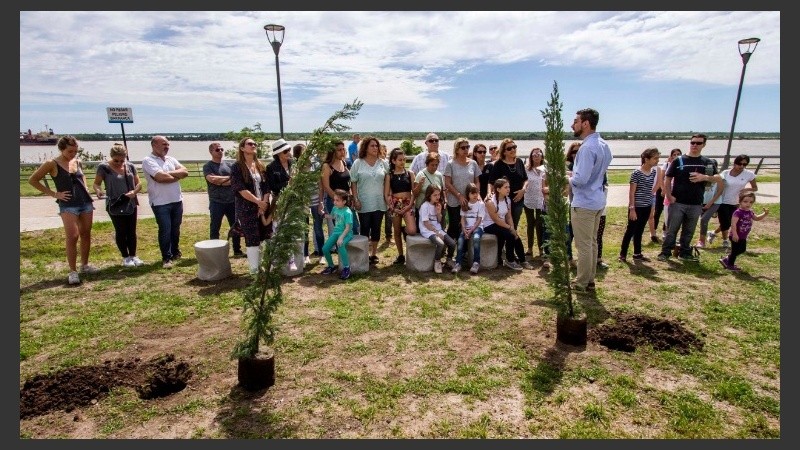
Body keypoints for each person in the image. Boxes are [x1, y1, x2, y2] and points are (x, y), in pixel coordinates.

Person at [28, 135, 99, 284]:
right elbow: (33, 180)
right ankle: (73, 271)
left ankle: (85, 265)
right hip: (68, 205)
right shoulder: (51, 163)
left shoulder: (77, 161)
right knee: (72, 236)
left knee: (86, 233)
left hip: (85, 202)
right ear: (61, 149)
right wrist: (54, 193)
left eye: (75, 151)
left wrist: (85, 187)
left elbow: (82, 176)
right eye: (70, 151)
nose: (73, 154)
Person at [657, 134, 722, 262]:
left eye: (698, 143)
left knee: (689, 230)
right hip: (678, 202)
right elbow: (668, 177)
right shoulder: (679, 160)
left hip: (696, 203)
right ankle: (665, 252)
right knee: (671, 229)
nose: (695, 145)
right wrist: (669, 195)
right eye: (692, 143)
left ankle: (685, 252)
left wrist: (705, 177)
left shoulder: (707, 162)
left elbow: (719, 178)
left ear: (703, 145)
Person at [569, 108, 613, 292]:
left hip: (585, 202)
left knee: (584, 245)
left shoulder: (586, 148)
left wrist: (564, 177)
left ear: (586, 123)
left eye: (576, 121)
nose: (573, 124)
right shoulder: (603, 144)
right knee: (592, 242)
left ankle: (581, 283)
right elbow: (597, 172)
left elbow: (580, 180)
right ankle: (590, 280)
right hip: (597, 199)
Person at [92, 143, 144, 268]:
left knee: (131, 230)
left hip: (130, 202)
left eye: (122, 160)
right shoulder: (103, 167)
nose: (119, 163)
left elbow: (139, 183)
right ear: (111, 157)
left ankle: (133, 255)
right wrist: (98, 191)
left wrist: (134, 191)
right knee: (121, 230)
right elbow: (96, 183)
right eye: (116, 160)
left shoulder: (130, 166)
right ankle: (125, 257)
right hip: (115, 203)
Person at [141, 135, 189, 269]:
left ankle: (175, 252)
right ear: (154, 145)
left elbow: (185, 172)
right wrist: (176, 176)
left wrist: (169, 175)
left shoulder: (171, 159)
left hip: (176, 200)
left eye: (168, 145)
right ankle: (166, 258)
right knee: (165, 229)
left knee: (176, 228)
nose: (166, 147)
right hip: (160, 202)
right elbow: (160, 177)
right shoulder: (148, 160)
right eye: (163, 144)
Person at [230, 137, 270, 274]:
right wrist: (257, 202)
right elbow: (240, 189)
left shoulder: (260, 165)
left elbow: (266, 187)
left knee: (264, 236)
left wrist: (264, 203)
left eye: (255, 143)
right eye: (250, 144)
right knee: (252, 238)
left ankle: (262, 265)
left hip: (263, 207)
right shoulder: (237, 167)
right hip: (247, 208)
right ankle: (254, 270)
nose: (253, 145)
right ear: (242, 148)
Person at [350, 136, 390, 264]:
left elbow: (387, 181)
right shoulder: (358, 163)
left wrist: (386, 197)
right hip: (364, 202)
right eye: (372, 145)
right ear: (365, 148)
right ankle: (364, 254)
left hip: (379, 202)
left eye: (376, 146)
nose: (375, 148)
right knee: (365, 228)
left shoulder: (383, 163)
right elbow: (353, 182)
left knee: (376, 228)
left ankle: (374, 254)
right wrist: (355, 199)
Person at [708, 154, 758, 250]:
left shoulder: (749, 174)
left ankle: (713, 233)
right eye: (740, 164)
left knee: (731, 222)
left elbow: (755, 188)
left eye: (745, 164)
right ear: (735, 163)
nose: (742, 166)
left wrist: (747, 189)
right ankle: (725, 240)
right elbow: (717, 183)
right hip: (723, 201)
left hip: (736, 202)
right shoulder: (726, 173)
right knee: (725, 222)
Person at [443, 138, 481, 265]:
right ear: (457, 150)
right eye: (463, 148)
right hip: (455, 201)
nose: (466, 150)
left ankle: (463, 254)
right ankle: (449, 255)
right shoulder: (450, 164)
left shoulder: (473, 163)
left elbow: (477, 181)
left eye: (467, 147)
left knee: (468, 227)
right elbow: (447, 183)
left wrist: (477, 194)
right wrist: (459, 195)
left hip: (470, 202)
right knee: (454, 227)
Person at [618, 148, 660, 262]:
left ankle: (637, 253)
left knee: (640, 230)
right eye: (655, 158)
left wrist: (651, 205)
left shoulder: (653, 172)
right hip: (636, 207)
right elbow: (632, 192)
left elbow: (650, 190)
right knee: (630, 230)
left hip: (647, 206)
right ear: (646, 159)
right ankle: (623, 254)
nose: (657, 160)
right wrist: (632, 208)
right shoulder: (636, 173)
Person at [203, 142, 243, 257]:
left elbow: (236, 180)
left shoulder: (230, 165)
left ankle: (237, 250)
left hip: (232, 201)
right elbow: (212, 180)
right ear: (211, 152)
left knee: (235, 226)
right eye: (217, 150)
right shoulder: (208, 166)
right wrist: (230, 179)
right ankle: (214, 250)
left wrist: (222, 181)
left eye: (221, 149)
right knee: (215, 226)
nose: (220, 151)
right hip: (217, 201)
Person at [483, 178, 530, 271]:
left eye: (509, 187)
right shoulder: (490, 202)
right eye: (506, 187)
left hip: (502, 224)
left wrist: (512, 227)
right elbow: (496, 220)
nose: (508, 189)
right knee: (510, 235)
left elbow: (509, 217)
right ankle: (510, 260)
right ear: (498, 189)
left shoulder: (507, 200)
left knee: (515, 235)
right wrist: (509, 228)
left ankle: (523, 260)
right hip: (489, 225)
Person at [266, 138, 297, 271]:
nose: (288, 153)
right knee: (277, 229)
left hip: (293, 200)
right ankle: (273, 260)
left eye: (289, 150)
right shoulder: (271, 167)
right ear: (278, 153)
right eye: (285, 151)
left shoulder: (293, 163)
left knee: (291, 229)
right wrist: (288, 183)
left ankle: (291, 259)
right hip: (279, 200)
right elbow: (272, 185)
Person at [383, 147, 417, 265]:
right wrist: (392, 207)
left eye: (404, 160)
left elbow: (414, 192)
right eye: (400, 160)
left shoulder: (410, 173)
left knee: (412, 230)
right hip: (395, 204)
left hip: (408, 203)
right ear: (393, 161)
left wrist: (410, 204)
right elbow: (386, 193)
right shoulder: (390, 175)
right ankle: (401, 255)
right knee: (396, 231)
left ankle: (405, 229)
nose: (403, 162)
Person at [719, 192, 768, 271]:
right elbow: (733, 224)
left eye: (751, 202)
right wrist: (735, 234)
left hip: (743, 236)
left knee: (742, 250)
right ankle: (730, 265)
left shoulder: (750, 212)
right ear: (740, 201)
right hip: (735, 236)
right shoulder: (738, 212)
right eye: (745, 201)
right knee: (735, 251)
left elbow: (757, 218)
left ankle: (726, 259)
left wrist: (764, 214)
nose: (748, 204)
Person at [321, 140, 359, 241]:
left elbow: (349, 183)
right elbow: (326, 187)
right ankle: (343, 255)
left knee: (354, 227)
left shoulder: (344, 163)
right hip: (335, 202)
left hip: (347, 202)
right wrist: (339, 201)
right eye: (339, 150)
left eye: (343, 149)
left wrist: (351, 199)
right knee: (341, 230)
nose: (342, 152)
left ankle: (354, 254)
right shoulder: (327, 166)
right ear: (332, 152)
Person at [488, 139, 528, 229]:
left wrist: (523, 190)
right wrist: (489, 193)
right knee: (503, 226)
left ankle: (512, 241)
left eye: (514, 147)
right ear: (504, 152)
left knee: (514, 225)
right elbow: (491, 182)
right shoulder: (499, 164)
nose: (513, 150)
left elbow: (525, 179)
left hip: (518, 200)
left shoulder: (519, 162)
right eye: (509, 148)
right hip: (503, 200)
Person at [418, 185, 456, 274]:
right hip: (427, 230)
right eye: (435, 195)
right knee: (440, 244)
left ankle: (449, 260)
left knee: (452, 243)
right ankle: (437, 261)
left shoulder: (437, 205)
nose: (438, 197)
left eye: (439, 195)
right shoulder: (425, 206)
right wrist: (437, 233)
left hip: (438, 229)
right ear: (429, 195)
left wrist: (439, 213)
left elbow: (438, 221)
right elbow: (426, 223)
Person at [320, 189, 355, 280]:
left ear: (344, 201)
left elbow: (348, 228)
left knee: (341, 245)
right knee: (325, 248)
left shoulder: (348, 212)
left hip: (346, 233)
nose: (334, 202)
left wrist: (341, 238)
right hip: (336, 232)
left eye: (337, 200)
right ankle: (331, 266)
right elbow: (333, 216)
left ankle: (347, 268)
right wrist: (324, 215)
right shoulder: (335, 208)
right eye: (334, 200)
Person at [454, 183, 486, 274]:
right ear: (468, 194)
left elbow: (479, 219)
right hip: (466, 228)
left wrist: (471, 230)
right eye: (473, 193)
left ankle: (476, 262)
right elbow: (463, 218)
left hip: (477, 227)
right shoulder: (465, 203)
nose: (475, 195)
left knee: (476, 238)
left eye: (476, 192)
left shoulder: (480, 204)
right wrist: (464, 229)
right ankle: (458, 263)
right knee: (460, 240)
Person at [523, 147, 547, 259]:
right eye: (534, 154)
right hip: (528, 199)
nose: (536, 156)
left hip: (541, 200)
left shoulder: (546, 169)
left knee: (539, 224)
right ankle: (529, 249)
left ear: (542, 156)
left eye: (538, 154)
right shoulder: (526, 169)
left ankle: (541, 249)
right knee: (530, 224)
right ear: (531, 157)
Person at [412, 152, 445, 228]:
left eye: (436, 165)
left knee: (438, 228)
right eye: (432, 165)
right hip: (422, 208)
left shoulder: (439, 175)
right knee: (422, 231)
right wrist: (420, 184)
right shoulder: (420, 174)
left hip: (436, 208)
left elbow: (442, 191)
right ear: (427, 164)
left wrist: (444, 201)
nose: (434, 167)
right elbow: (415, 193)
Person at [657, 148, 682, 241]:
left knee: (677, 217)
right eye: (674, 154)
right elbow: (662, 178)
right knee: (667, 216)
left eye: (678, 154)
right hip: (668, 194)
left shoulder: (682, 166)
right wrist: (663, 190)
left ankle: (674, 236)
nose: (676, 156)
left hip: (679, 196)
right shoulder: (667, 165)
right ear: (671, 156)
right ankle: (667, 234)